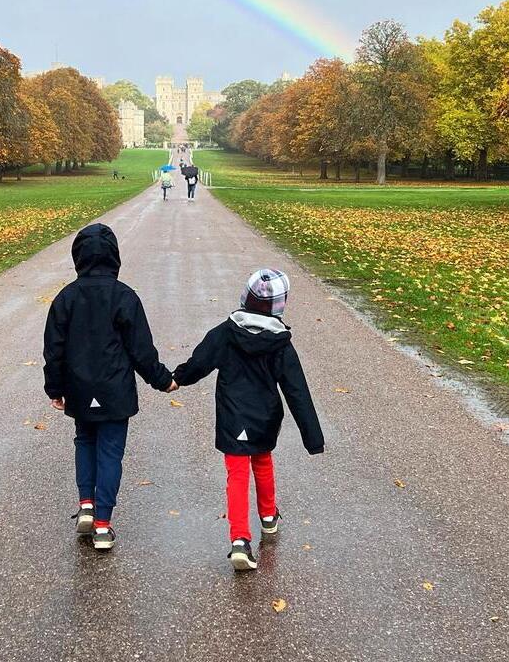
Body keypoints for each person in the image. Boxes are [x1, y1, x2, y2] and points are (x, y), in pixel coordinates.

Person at [173, 269, 324, 571]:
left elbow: (200, 361)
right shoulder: (280, 343)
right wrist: (313, 438)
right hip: (264, 417)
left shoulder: (226, 333)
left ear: (246, 296)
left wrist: (177, 378)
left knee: (237, 473)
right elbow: (297, 391)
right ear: (280, 305)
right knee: (263, 461)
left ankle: (240, 539)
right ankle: (268, 517)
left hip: (232, 417)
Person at [43, 224, 176, 551]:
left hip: (78, 386)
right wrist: (162, 379)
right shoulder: (125, 297)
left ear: (78, 257)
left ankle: (86, 503)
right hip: (115, 389)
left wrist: (54, 388)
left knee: (85, 439)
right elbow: (141, 350)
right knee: (110, 451)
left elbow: (54, 348)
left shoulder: (66, 298)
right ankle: (103, 523)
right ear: (115, 257)